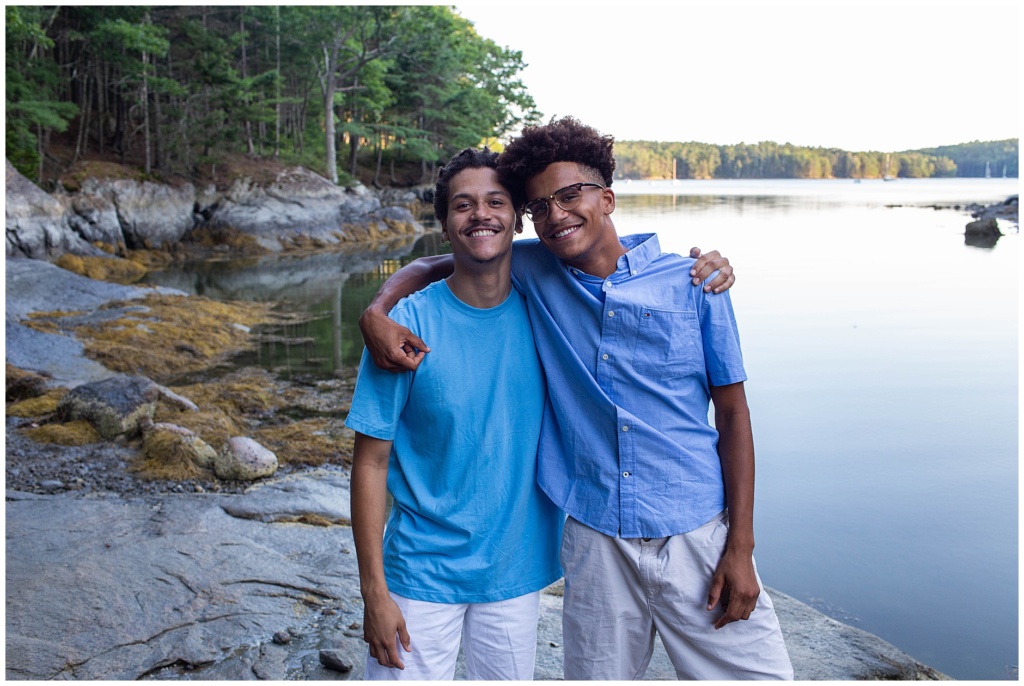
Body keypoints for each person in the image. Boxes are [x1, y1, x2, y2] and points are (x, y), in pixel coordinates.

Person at [360, 117, 793, 680]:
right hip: (594, 538)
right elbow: (444, 262)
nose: (557, 215)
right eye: (540, 206)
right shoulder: (538, 270)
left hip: (694, 530)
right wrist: (376, 310)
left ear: (607, 198)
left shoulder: (692, 283)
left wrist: (741, 544)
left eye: (570, 197)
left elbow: (734, 415)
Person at [345, 148, 562, 681]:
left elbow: (610, 259)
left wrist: (701, 267)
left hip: (513, 574)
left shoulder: (550, 307)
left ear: (517, 216)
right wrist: (374, 592)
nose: (480, 214)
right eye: (463, 205)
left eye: (495, 202)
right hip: (418, 575)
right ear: (445, 224)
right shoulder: (406, 330)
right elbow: (370, 464)